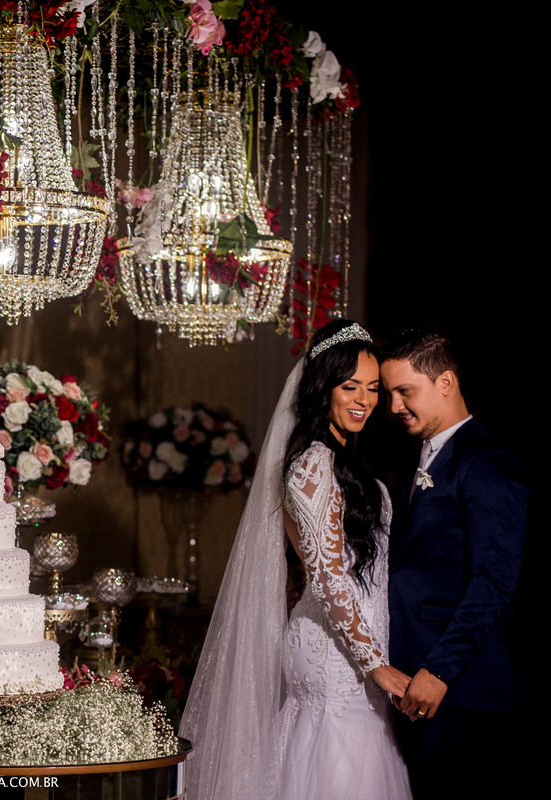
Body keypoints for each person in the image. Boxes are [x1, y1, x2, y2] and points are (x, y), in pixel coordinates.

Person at [181, 319, 411, 800]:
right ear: (323, 387)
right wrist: (376, 665)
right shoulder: (312, 464)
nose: (365, 400)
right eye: (350, 386)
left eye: (373, 388)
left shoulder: (347, 459)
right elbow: (328, 578)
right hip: (333, 650)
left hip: (360, 642)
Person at [379, 329, 527, 798]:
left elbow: (492, 583)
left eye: (405, 391)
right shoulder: (418, 457)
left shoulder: (488, 464)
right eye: (390, 393)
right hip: (411, 684)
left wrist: (440, 670)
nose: (394, 406)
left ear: (445, 382)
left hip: (460, 690)